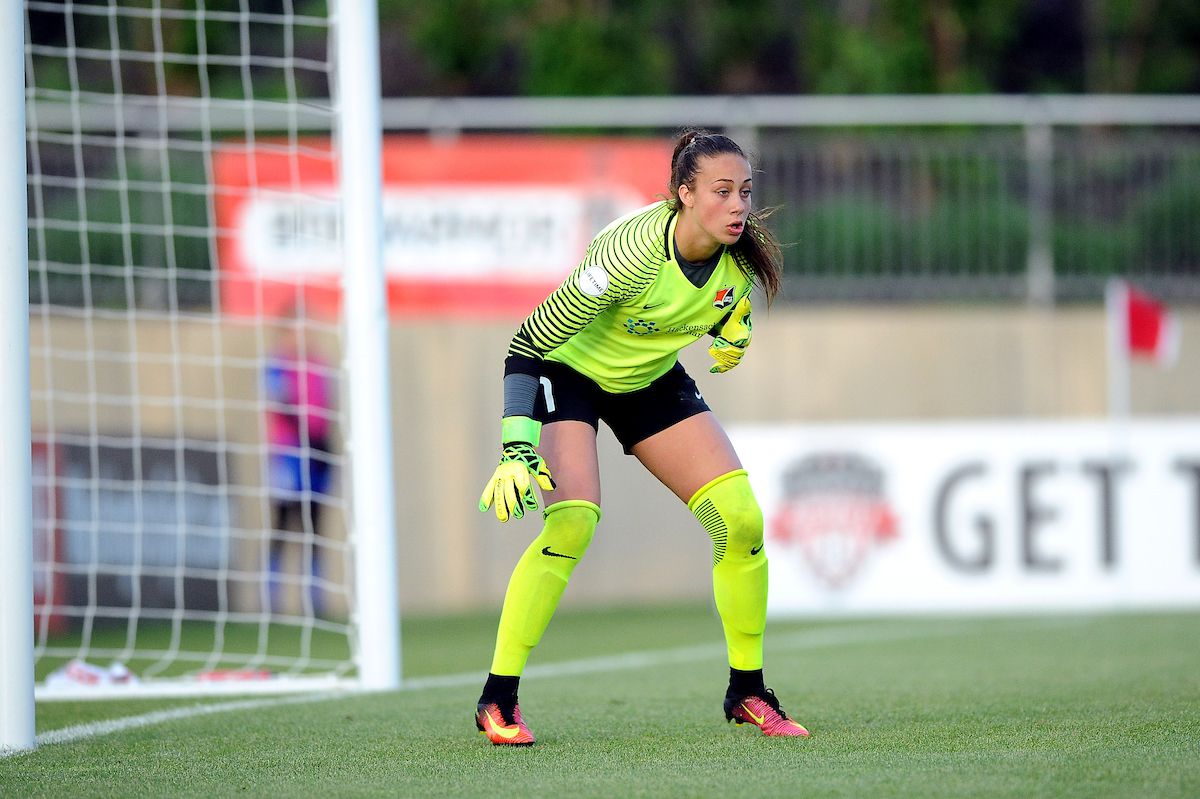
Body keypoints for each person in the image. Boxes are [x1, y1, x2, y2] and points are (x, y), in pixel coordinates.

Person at [475, 129, 809, 746]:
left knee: (740, 520)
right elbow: (528, 343)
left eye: (745, 191)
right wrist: (515, 447)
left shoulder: (739, 261)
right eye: (721, 191)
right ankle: (498, 697)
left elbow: (722, 305)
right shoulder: (630, 256)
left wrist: (733, 330)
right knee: (573, 522)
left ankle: (748, 691)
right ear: (684, 194)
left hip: (649, 379)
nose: (738, 205)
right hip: (569, 371)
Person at [264, 317, 336, 617]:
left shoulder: (320, 366)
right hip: (288, 456)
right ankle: (271, 601)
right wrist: (305, 434)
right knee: (282, 526)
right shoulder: (276, 366)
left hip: (317, 455)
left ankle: (316, 602)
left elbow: (326, 409)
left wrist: (322, 442)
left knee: (315, 528)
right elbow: (279, 402)